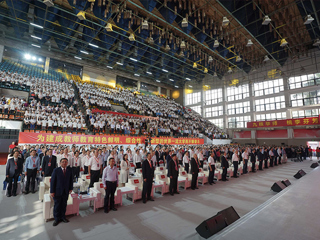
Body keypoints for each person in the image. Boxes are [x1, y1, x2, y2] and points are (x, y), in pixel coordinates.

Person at [50, 158, 73, 226]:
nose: (64, 163)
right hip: (57, 191)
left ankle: (63, 217)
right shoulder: (56, 170)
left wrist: (70, 188)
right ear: (60, 163)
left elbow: (71, 180)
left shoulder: (69, 170)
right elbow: (53, 182)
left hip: (65, 191)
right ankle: (56, 219)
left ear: (67, 163)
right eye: (63, 162)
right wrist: (52, 191)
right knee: (57, 205)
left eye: (65, 162)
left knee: (64, 205)